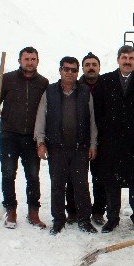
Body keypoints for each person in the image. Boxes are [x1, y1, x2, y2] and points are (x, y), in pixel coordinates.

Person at [94, 46, 134, 234]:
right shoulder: (104, 81)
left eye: (131, 58)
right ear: (118, 59)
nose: (127, 61)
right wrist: (102, 136)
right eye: (124, 57)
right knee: (112, 183)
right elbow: (98, 112)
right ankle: (112, 218)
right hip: (111, 143)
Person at [34, 56, 98, 235]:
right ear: (60, 70)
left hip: (80, 148)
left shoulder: (85, 92)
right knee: (57, 185)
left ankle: (84, 220)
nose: (70, 73)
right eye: (66, 69)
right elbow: (41, 118)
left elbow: (92, 120)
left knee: (81, 185)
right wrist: (40, 142)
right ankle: (58, 220)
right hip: (57, 148)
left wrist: (93, 144)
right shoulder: (50, 91)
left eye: (73, 70)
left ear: (78, 72)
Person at [0, 46, 49, 229]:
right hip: (10, 135)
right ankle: (11, 210)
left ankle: (33, 212)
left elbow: (48, 110)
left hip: (31, 137)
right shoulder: (7, 79)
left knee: (33, 175)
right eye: (26, 59)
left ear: (37, 61)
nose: (29, 62)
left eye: (33, 59)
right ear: (19, 61)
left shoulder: (43, 83)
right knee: (8, 173)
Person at [67, 52, 106, 226]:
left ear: (99, 67)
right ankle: (73, 211)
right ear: (82, 68)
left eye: (94, 64)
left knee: (99, 177)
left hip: (102, 139)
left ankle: (98, 211)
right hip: (78, 139)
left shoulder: (106, 85)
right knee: (75, 178)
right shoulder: (74, 86)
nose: (91, 67)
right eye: (87, 64)